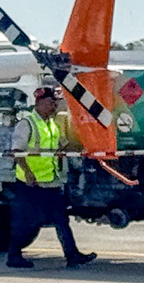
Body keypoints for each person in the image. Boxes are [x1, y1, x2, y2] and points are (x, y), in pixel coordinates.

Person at [6, 85, 97, 269]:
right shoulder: (27, 124)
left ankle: (72, 255)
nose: (53, 106)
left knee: (61, 219)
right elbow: (17, 152)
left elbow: (59, 147)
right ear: (39, 102)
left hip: (50, 182)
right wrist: (29, 173)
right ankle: (13, 256)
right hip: (30, 184)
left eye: (55, 103)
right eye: (50, 102)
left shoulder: (51, 124)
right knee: (26, 222)